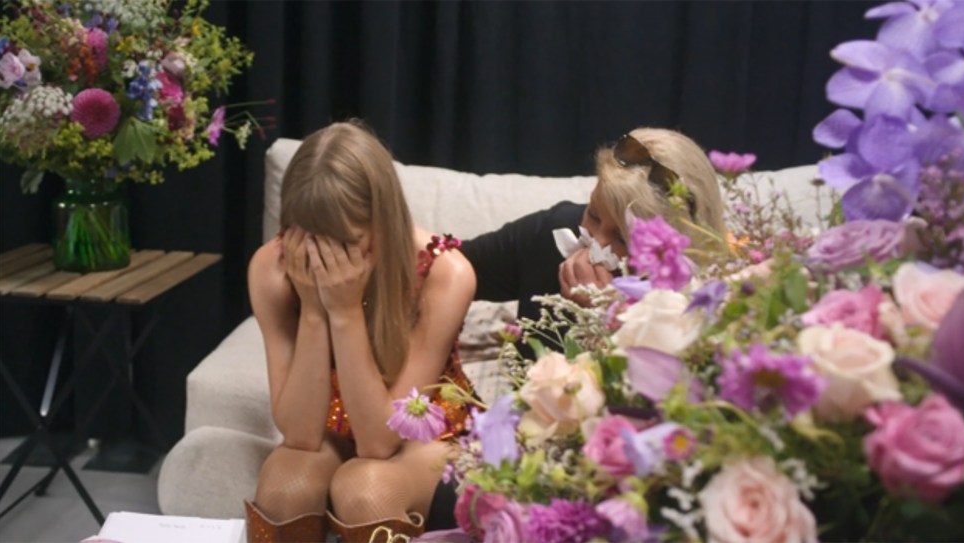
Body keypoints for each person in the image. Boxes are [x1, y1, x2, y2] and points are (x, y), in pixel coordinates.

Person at [244, 121, 477, 542]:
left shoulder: (445, 273)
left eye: (346, 243)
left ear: (383, 222)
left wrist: (345, 311)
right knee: (285, 485)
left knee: (365, 488)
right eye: (309, 240)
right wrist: (314, 310)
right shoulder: (272, 268)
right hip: (332, 430)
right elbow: (299, 435)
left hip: (426, 438)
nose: (324, 260)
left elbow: (379, 442)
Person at [461, 126, 727, 323]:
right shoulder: (555, 230)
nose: (596, 243)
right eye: (594, 216)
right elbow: (448, 262)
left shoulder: (706, 303)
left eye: (622, 238)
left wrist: (603, 317)